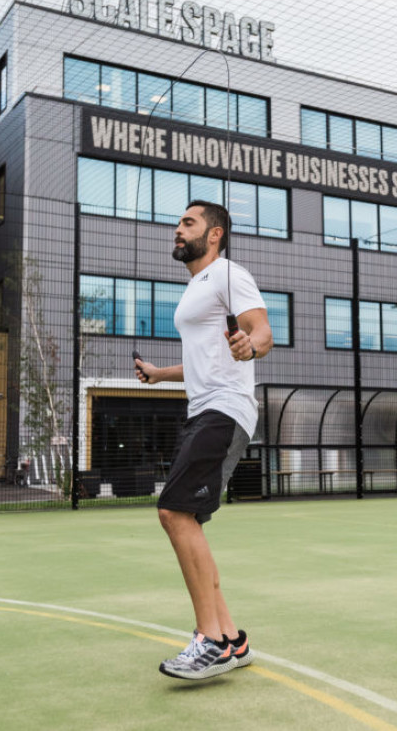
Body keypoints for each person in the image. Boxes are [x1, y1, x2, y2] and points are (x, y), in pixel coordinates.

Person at [134, 200, 272, 680]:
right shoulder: (196, 287)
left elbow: (262, 329)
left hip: (224, 408)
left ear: (214, 234)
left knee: (174, 511)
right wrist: (158, 374)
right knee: (185, 517)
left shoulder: (229, 274)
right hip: (203, 409)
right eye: (177, 223)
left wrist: (250, 344)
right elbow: (199, 364)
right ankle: (232, 638)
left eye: (188, 223)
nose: (178, 229)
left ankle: (208, 640)